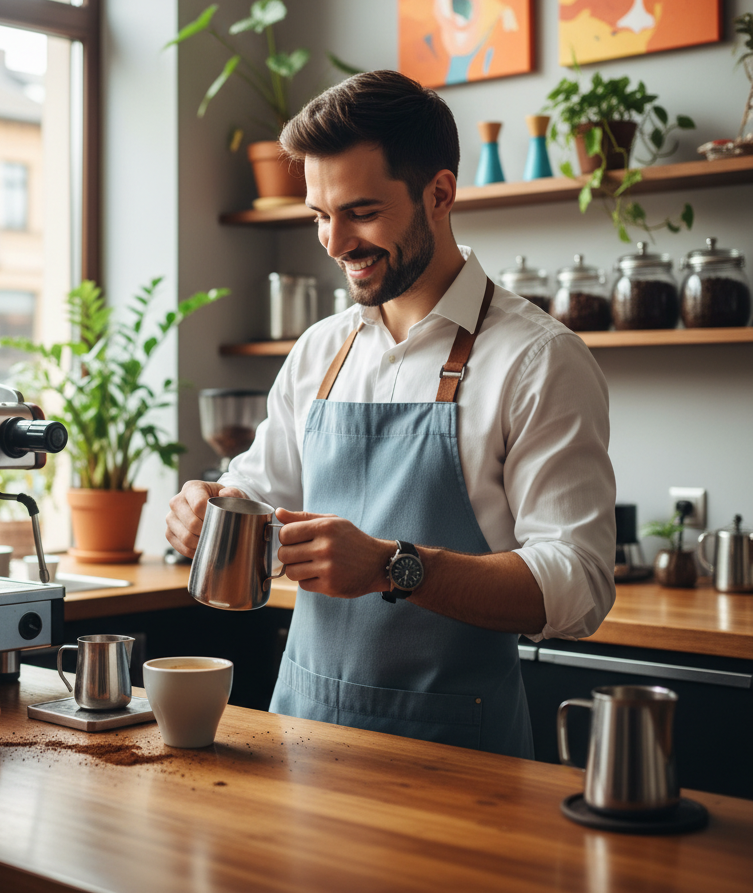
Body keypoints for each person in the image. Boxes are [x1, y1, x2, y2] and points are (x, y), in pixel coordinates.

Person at [166, 71, 616, 758]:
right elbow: (258, 491)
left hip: (460, 762)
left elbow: (578, 583)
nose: (334, 242)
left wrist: (392, 566)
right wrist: (206, 508)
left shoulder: (538, 359)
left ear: (439, 194)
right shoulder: (321, 350)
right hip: (302, 739)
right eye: (320, 215)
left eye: (361, 211)